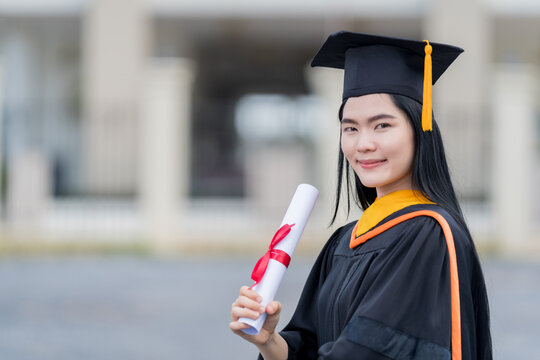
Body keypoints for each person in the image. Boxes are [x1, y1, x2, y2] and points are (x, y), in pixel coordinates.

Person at [230, 31, 492, 360]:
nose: (363, 144)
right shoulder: (345, 240)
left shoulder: (427, 234)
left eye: (382, 125)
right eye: (350, 128)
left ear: (419, 129)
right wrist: (269, 341)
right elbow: (312, 345)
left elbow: (367, 352)